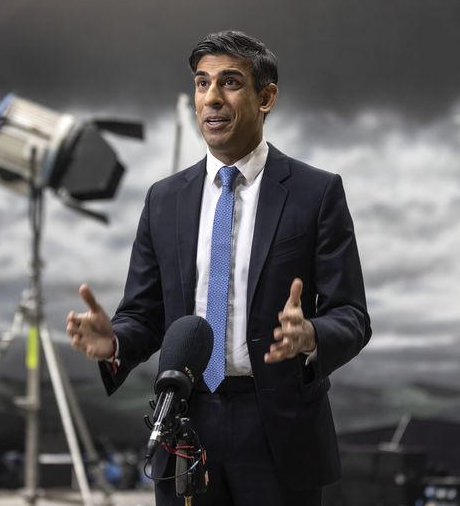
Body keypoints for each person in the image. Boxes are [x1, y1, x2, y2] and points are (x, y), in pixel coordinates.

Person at [66, 30, 371, 506]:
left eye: (229, 83)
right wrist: (116, 342)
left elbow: (351, 315)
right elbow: (144, 315)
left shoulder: (316, 193)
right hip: (185, 423)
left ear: (265, 97)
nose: (211, 98)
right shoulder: (164, 199)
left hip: (277, 430)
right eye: (201, 83)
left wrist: (311, 334)